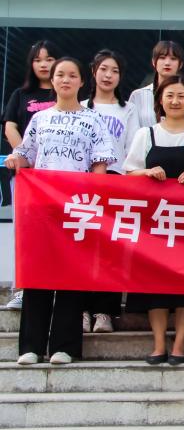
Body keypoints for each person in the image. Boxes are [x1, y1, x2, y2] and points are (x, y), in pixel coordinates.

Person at [7, 57, 115, 365]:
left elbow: (100, 163)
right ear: (52, 81)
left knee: (71, 275)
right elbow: (26, 155)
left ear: (82, 81)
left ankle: (64, 347)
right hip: (42, 208)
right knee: (38, 274)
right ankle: (31, 346)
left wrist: (94, 197)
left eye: (72, 75)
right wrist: (15, 160)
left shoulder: (94, 119)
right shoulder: (39, 119)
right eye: (60, 75)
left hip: (77, 208)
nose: (65, 80)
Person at [123, 75, 184, 366]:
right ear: (160, 101)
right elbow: (129, 171)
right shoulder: (146, 134)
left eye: (181, 96)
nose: (175, 101)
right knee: (155, 286)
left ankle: (179, 344)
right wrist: (147, 173)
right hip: (154, 223)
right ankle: (158, 344)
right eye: (169, 96)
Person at [81, 49, 141, 334]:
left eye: (114, 71)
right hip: (82, 183)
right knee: (82, 248)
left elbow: (132, 148)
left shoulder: (127, 109)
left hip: (116, 181)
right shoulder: (81, 106)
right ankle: (81, 309)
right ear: (94, 71)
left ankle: (105, 311)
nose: (108, 75)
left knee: (110, 249)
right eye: (103, 69)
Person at [3, 40, 59, 311]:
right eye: (38, 60)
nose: (44, 65)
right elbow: (10, 127)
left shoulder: (65, 93)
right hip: (28, 176)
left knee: (58, 235)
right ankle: (22, 289)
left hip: (59, 179)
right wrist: (27, 157)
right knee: (26, 233)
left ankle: (57, 285)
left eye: (49, 59)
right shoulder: (21, 94)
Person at [129, 40, 184, 129]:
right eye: (162, 58)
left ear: (180, 64)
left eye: (173, 58)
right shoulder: (138, 96)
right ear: (153, 62)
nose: (167, 63)